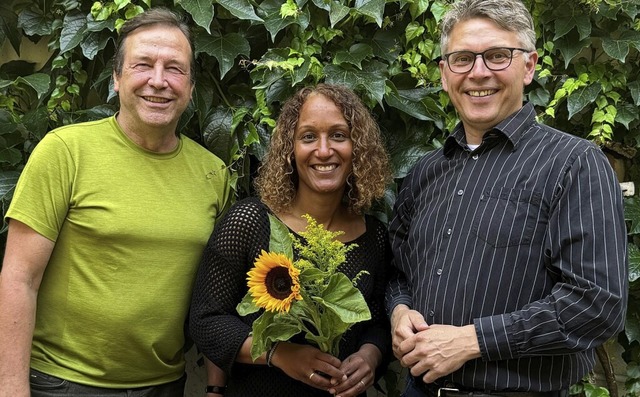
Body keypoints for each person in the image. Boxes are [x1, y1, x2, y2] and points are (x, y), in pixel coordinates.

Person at [386, 0, 628, 396]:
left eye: (498, 56)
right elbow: (399, 271)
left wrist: (473, 341)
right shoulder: (425, 172)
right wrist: (399, 309)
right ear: (445, 74)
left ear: (528, 66)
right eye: (462, 58)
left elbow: (597, 304)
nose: (478, 72)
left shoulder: (574, 164)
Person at [0, 7, 230, 397]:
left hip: (164, 385)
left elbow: (217, 295)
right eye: (143, 64)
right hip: (61, 383)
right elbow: (19, 278)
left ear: (191, 87)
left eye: (174, 68)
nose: (158, 81)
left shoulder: (213, 173)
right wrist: (11, 388)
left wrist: (215, 388)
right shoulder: (65, 151)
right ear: (117, 78)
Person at [189, 83, 392, 397]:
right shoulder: (249, 222)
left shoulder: (374, 236)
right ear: (290, 149)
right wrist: (279, 354)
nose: (324, 150)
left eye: (338, 135)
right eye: (308, 136)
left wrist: (371, 355)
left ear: (358, 148)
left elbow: (378, 321)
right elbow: (207, 320)